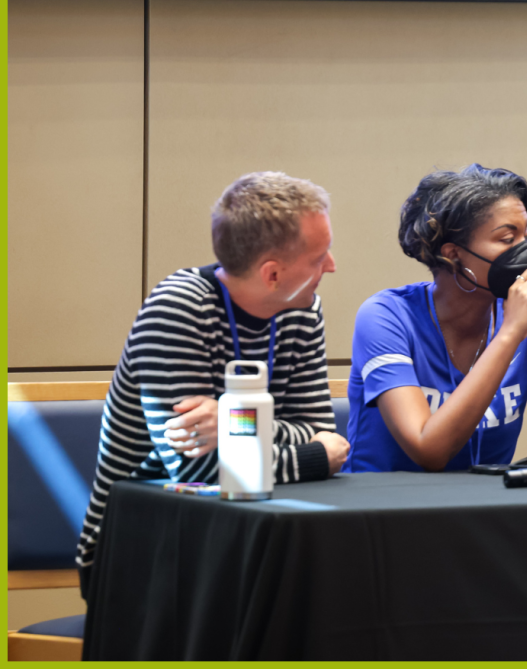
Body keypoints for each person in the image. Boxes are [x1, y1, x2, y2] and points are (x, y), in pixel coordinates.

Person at [77, 172, 351, 595]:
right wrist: (311, 458)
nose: (331, 266)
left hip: (253, 534)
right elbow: (198, 471)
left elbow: (321, 431)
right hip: (142, 546)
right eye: (320, 256)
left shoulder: (302, 309)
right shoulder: (177, 308)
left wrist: (229, 420)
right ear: (272, 274)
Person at [344, 164, 527, 472]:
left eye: (525, 237)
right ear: (453, 253)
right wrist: (509, 334)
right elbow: (429, 450)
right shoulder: (386, 317)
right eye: (507, 240)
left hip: (482, 513)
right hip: (383, 511)